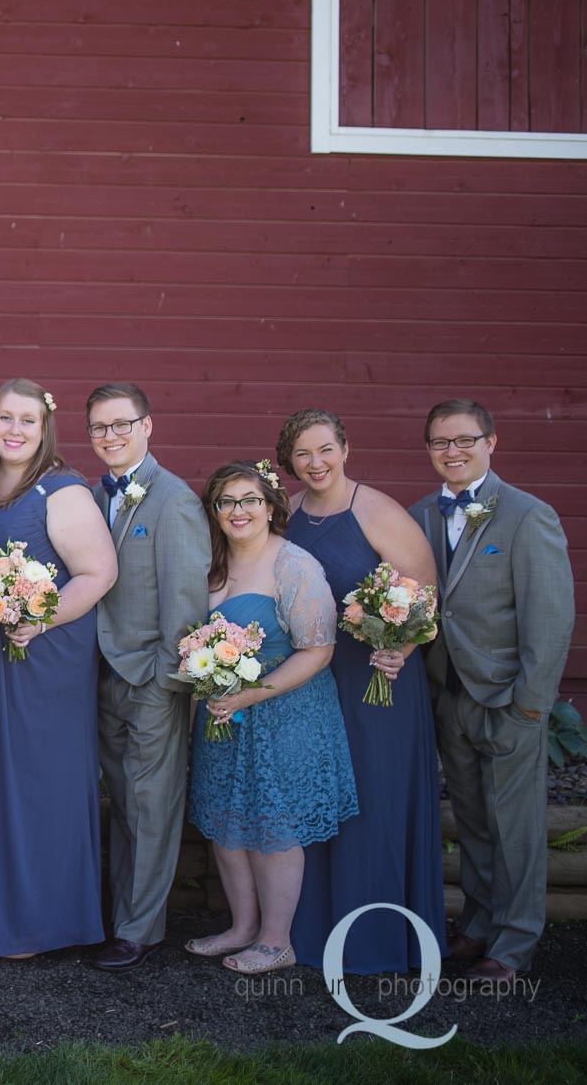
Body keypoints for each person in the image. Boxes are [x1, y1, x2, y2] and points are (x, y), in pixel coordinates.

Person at [0, 378, 116, 959]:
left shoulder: (60, 491)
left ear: (45, 430)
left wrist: (39, 619)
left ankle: (35, 922)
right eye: (5, 419)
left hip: (40, 656)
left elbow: (98, 574)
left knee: (31, 782)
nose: (14, 431)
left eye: (27, 421)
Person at [408, 399, 572, 983]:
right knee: (473, 819)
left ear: (491, 442)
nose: (451, 451)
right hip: (447, 693)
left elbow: (549, 619)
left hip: (507, 698)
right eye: (439, 442)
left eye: (464, 440)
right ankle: (478, 923)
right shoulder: (421, 515)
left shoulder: (528, 516)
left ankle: (515, 942)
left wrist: (532, 703)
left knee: (516, 826)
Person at [277, 409, 445, 973]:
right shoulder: (289, 513)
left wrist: (401, 649)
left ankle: (376, 943)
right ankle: (316, 932)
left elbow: (424, 599)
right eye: (302, 454)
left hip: (379, 681)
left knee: (373, 800)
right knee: (319, 797)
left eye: (325, 449)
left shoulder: (376, 510)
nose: (315, 463)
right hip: (313, 684)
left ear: (345, 448)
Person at [186, 461, 359, 975]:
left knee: (273, 825)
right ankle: (240, 927)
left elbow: (318, 650)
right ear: (214, 512)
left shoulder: (294, 565)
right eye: (226, 502)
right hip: (221, 717)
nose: (238, 511)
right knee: (225, 823)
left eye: (250, 500)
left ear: (270, 506)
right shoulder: (211, 566)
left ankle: (275, 939)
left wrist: (249, 696)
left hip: (285, 716)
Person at [84, 382, 210, 973]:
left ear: (147, 426)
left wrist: (166, 682)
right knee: (124, 802)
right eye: (100, 428)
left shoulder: (174, 501)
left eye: (121, 425)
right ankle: (120, 917)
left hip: (152, 678)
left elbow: (186, 604)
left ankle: (139, 930)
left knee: (151, 802)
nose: (110, 436)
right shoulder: (89, 496)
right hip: (99, 676)